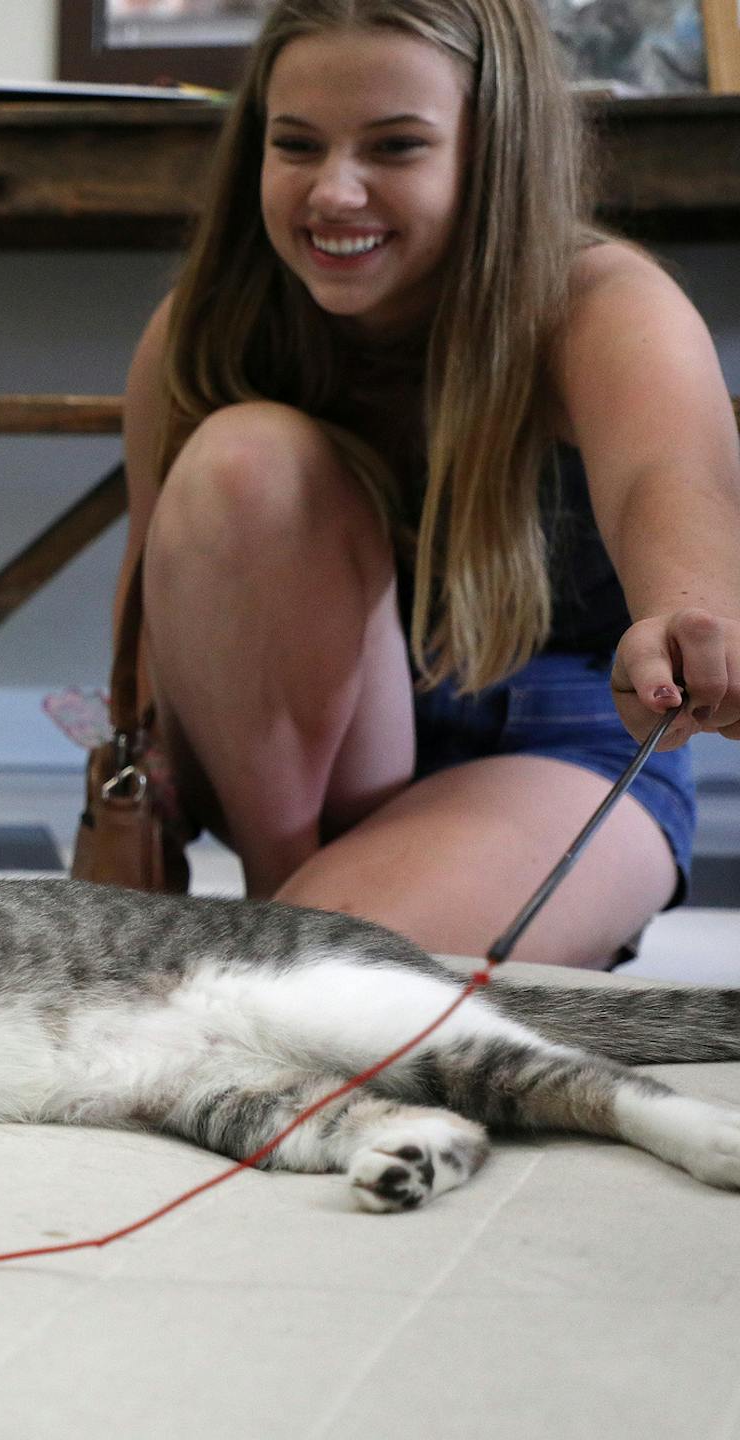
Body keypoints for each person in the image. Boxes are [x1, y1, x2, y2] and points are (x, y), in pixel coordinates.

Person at [120, 0, 740, 966]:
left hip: (549, 746)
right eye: (296, 145)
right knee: (245, 460)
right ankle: (277, 904)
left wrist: (696, 613)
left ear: (495, 154)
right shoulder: (205, 325)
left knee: (312, 986)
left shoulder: (600, 304)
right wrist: (139, 755)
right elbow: (152, 596)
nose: (333, 192)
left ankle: (278, 951)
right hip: (284, 771)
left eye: (396, 147)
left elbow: (669, 482)